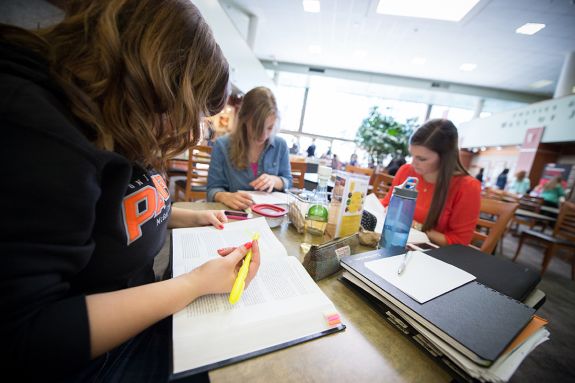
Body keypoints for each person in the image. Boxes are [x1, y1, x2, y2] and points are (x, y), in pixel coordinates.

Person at [0, 1, 261, 382]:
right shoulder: (38, 129)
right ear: (154, 81)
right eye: (190, 110)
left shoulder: (118, 118)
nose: (192, 131)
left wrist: (192, 216)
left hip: (143, 324)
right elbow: (25, 336)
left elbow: (111, 211)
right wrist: (196, 283)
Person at [381, 119, 481, 246]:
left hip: (433, 255)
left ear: (444, 158)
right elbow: (386, 203)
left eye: (422, 159)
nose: (413, 163)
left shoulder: (467, 187)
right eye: (412, 155)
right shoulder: (406, 171)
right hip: (396, 242)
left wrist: (414, 225)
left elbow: (459, 242)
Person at [207, 86, 292, 209]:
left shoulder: (280, 145)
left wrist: (275, 180)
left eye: (269, 128)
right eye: (257, 127)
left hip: (271, 216)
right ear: (244, 119)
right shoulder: (222, 145)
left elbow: (288, 181)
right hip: (235, 215)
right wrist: (225, 196)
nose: (263, 136)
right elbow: (212, 189)